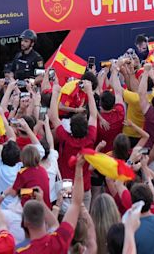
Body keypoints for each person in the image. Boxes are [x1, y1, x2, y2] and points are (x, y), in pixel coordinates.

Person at [16, 155, 85, 253]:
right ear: (43, 219)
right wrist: (79, 168)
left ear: (25, 223)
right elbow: (76, 204)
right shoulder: (59, 240)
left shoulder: (20, 252)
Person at [49, 80, 97, 210]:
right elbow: (93, 115)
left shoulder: (65, 138)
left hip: (67, 185)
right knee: (84, 218)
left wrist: (55, 93)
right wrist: (89, 91)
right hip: (85, 186)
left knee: (67, 217)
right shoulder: (91, 138)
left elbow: (54, 117)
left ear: (70, 127)